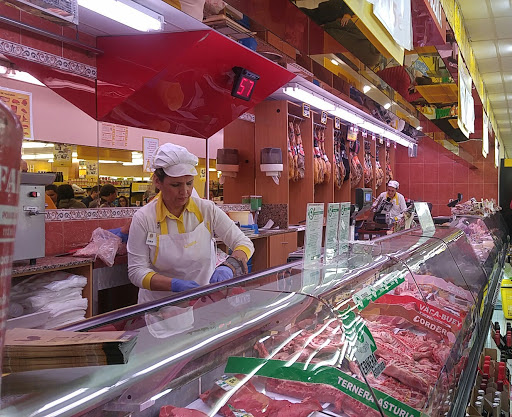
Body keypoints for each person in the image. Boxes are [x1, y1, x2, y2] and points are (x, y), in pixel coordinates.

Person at [127, 143, 254, 304]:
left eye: (189, 183)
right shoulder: (144, 218)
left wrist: (230, 265)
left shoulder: (206, 209)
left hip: (203, 304)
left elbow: (244, 243)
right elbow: (136, 271)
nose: (185, 191)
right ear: (157, 181)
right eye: (176, 185)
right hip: (159, 309)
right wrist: (174, 285)